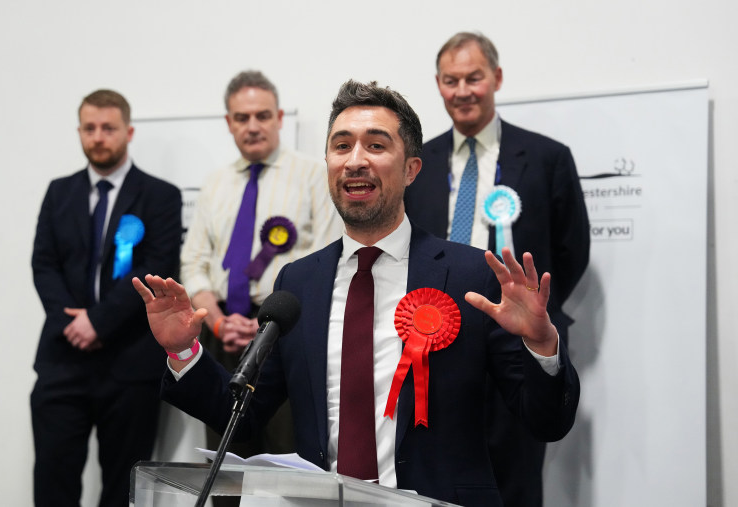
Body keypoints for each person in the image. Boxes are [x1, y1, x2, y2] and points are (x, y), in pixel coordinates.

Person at [133, 80, 580, 507]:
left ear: (411, 169)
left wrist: (541, 346)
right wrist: (182, 351)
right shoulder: (297, 284)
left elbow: (545, 420)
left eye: (376, 145)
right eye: (341, 145)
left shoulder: (469, 277)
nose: (355, 160)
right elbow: (242, 415)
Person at [404, 32, 590, 506]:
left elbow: (572, 251)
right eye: (451, 80)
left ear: (497, 78)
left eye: (474, 77)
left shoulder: (548, 158)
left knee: (517, 479)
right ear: (439, 85)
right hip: (432, 342)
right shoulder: (416, 164)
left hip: (517, 343)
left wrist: (529, 313)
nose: (462, 90)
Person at [179, 71, 342, 461]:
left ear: (280, 117)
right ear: (229, 123)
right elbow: (194, 263)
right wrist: (218, 322)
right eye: (242, 117)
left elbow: (326, 258)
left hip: (287, 335)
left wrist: (264, 326)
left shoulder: (314, 176)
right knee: (224, 460)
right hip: (222, 333)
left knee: (289, 459)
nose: (253, 126)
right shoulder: (215, 183)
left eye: (263, 116)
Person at [31, 89, 183, 506]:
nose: (99, 137)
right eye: (90, 128)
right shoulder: (58, 192)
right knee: (52, 482)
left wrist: (99, 321)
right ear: (80, 131)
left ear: (128, 131)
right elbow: (43, 264)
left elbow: (155, 268)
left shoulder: (161, 196)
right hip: (63, 359)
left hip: (129, 363)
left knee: (124, 489)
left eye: (108, 128)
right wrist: (72, 324)